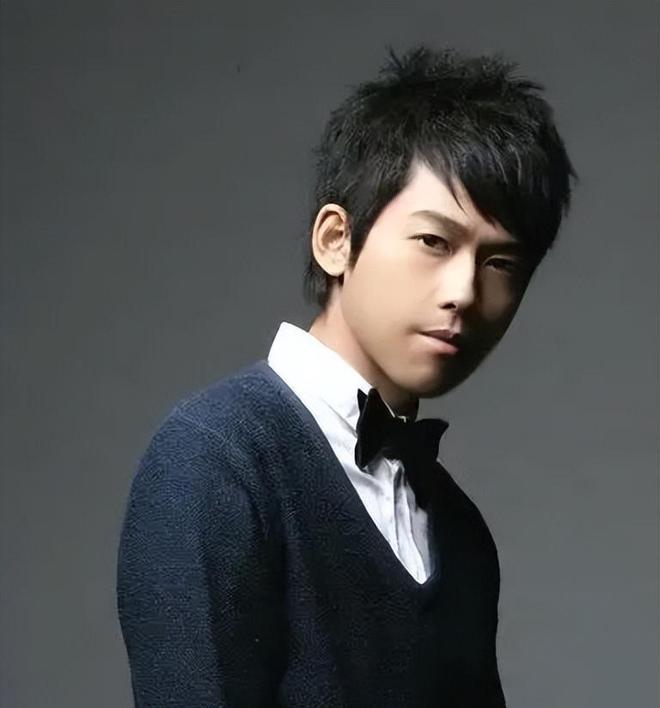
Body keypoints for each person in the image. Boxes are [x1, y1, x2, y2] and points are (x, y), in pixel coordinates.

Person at [116, 45, 576, 707]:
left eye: (501, 263)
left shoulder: (459, 529)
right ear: (336, 240)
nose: (464, 293)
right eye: (434, 242)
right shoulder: (215, 459)